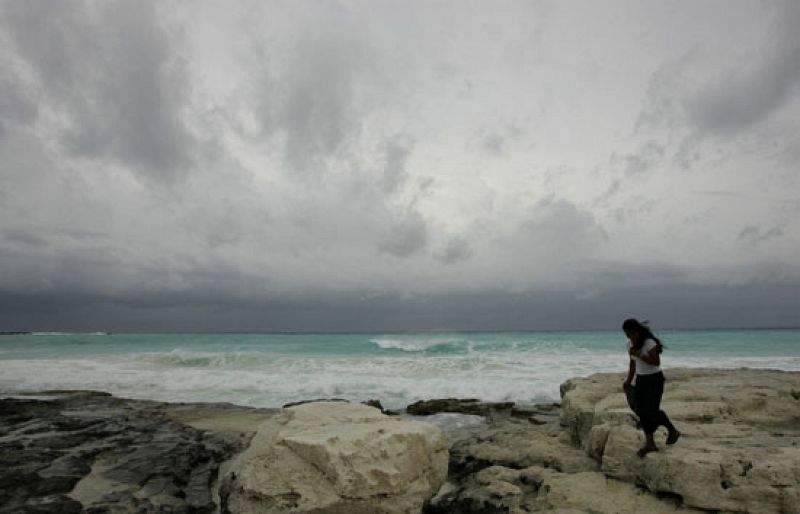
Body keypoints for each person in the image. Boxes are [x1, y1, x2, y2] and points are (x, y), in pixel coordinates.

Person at [622, 318, 680, 457]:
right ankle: (650, 443)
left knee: (652, 410)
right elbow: (632, 364)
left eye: (631, 334)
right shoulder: (629, 344)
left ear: (637, 331)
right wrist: (628, 381)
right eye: (627, 335)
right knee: (642, 411)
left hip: (655, 379)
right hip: (641, 379)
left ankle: (672, 431)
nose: (630, 337)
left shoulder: (649, 342)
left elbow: (655, 362)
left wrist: (640, 354)